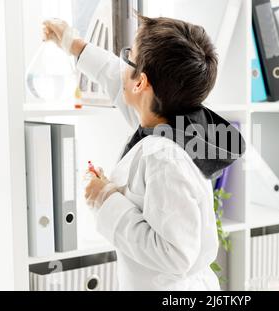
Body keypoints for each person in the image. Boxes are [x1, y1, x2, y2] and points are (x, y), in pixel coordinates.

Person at [43, 15, 245, 291]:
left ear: (141, 83)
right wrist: (72, 43)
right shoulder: (173, 121)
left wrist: (105, 197)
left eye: (128, 57)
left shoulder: (164, 158)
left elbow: (175, 254)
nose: (122, 63)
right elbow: (116, 77)